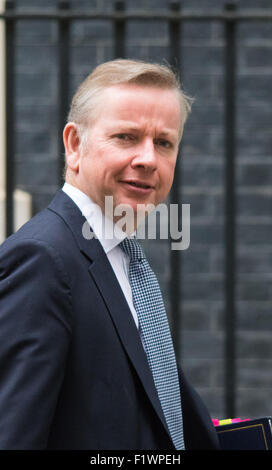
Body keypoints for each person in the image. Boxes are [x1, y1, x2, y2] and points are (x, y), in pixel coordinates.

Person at [0, 59, 219, 450]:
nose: (148, 159)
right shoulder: (42, 260)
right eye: (126, 137)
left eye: (164, 142)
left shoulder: (123, 258)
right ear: (74, 146)